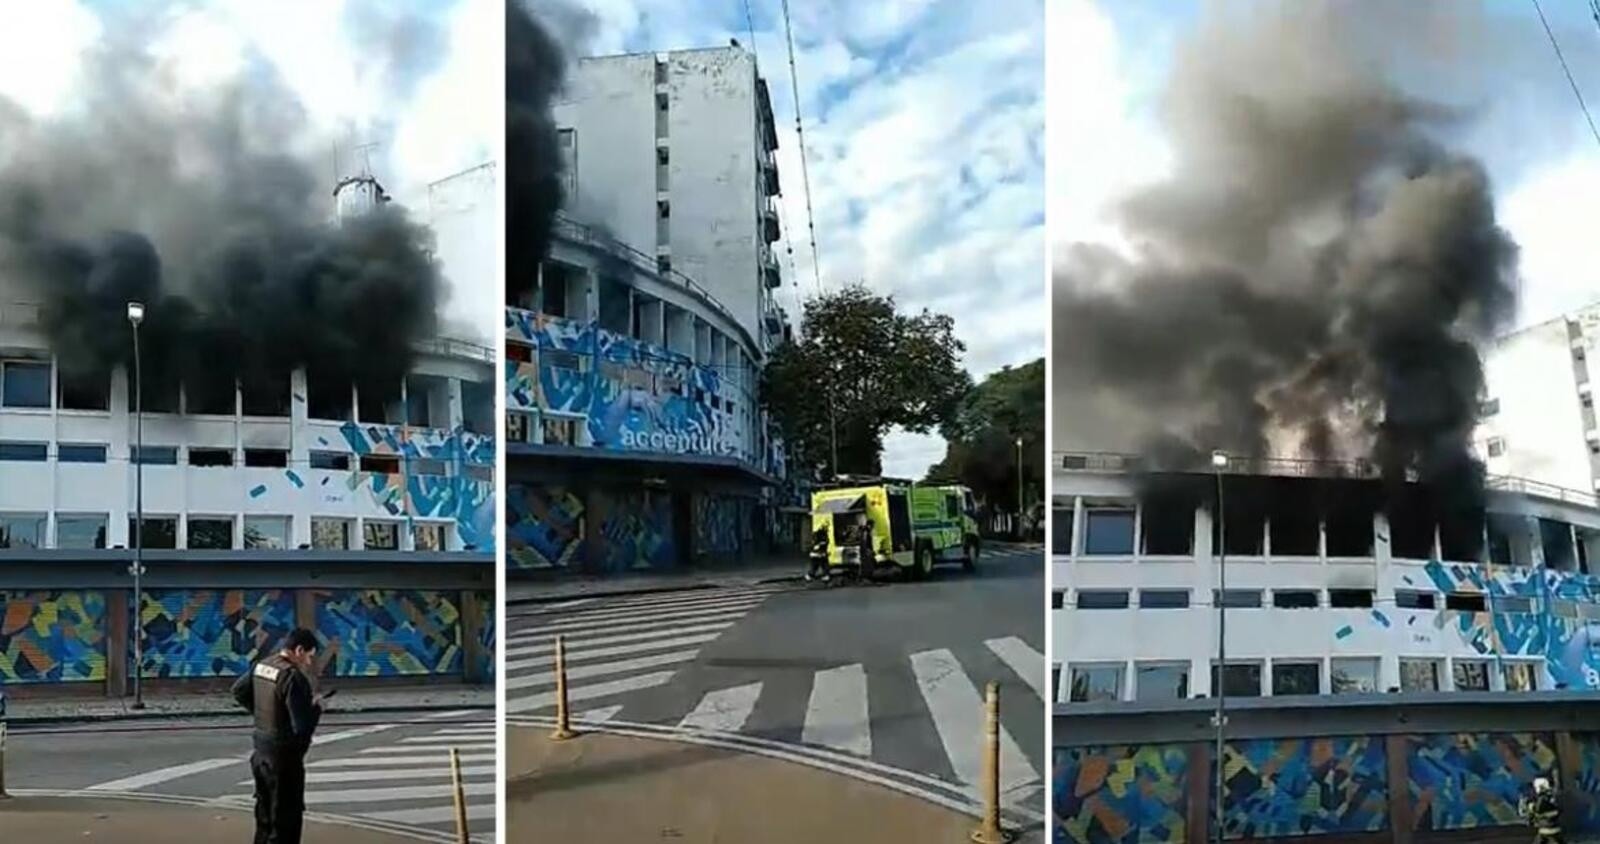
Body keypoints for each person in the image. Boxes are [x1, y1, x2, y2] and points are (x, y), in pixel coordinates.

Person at [231, 628, 327, 844]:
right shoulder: (293, 677)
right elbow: (302, 728)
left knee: (264, 815)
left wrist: (262, 713)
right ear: (299, 650)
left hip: (260, 751)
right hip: (284, 759)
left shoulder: (264, 665)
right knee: (285, 820)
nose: (309, 662)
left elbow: (238, 691)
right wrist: (316, 708)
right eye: (310, 656)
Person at [1519, 776, 1564, 844]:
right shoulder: (1550, 797)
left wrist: (1531, 808)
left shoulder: (1542, 799)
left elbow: (1538, 810)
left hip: (1547, 830)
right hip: (1551, 829)